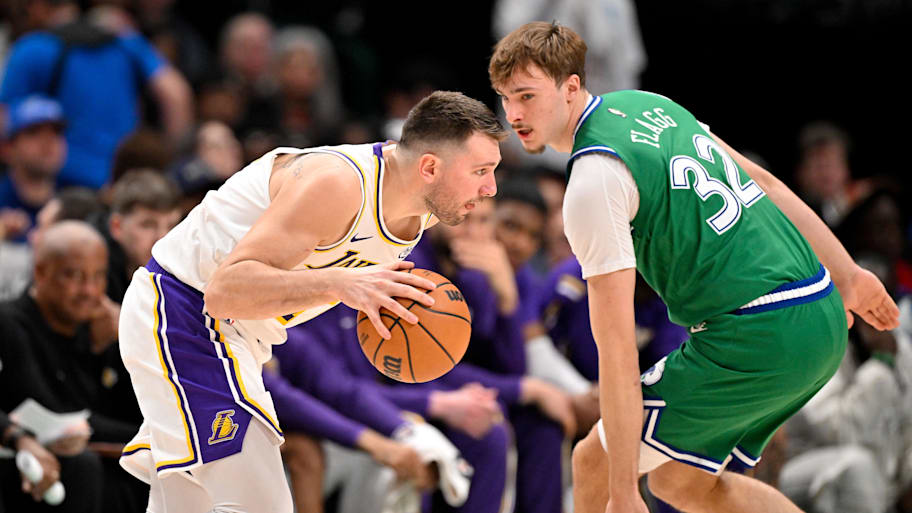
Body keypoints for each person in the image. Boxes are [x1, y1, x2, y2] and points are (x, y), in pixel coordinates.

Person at [488, 21, 900, 513]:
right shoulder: (650, 105)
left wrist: (622, 491)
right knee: (680, 481)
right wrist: (847, 275)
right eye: (506, 98)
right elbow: (766, 183)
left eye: (527, 96)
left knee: (592, 462)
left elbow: (617, 348)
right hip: (820, 313)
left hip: (758, 333)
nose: (514, 114)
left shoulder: (593, 181)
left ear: (571, 87)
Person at [115, 90, 506, 512]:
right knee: (262, 504)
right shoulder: (337, 184)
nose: (490, 188)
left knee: (189, 505)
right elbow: (224, 292)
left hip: (243, 337)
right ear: (429, 167)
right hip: (183, 309)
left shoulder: (421, 211)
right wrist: (340, 284)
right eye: (480, 171)